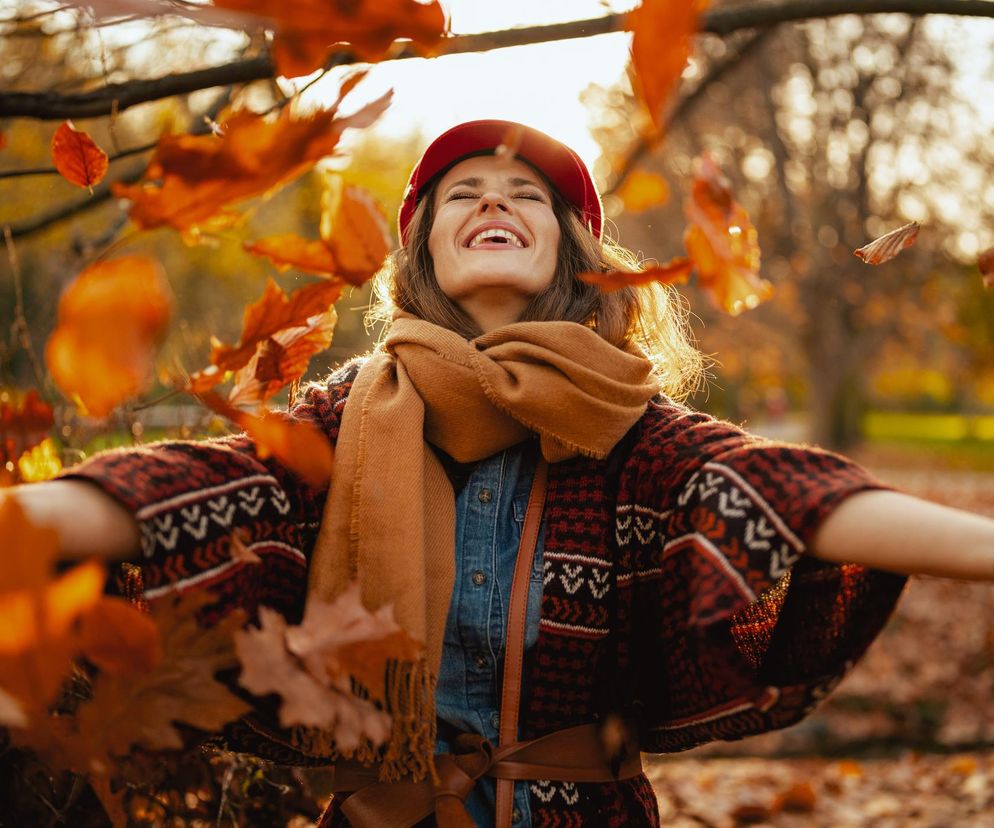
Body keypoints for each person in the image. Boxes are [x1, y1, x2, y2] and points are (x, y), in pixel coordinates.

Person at [9, 119, 994, 828]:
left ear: (575, 253)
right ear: (424, 251)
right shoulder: (347, 417)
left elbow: (794, 499)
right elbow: (182, 493)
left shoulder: (630, 435)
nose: (494, 200)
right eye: (463, 194)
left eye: (528, 196)